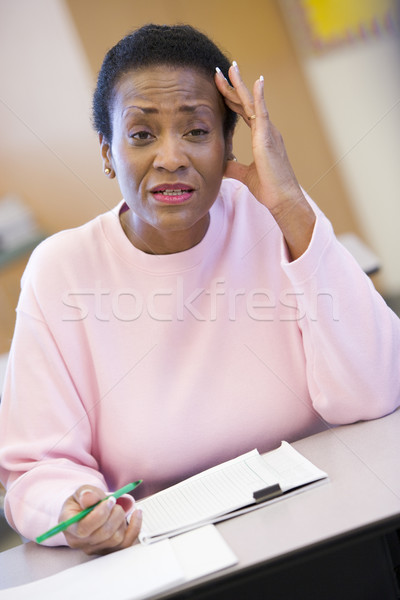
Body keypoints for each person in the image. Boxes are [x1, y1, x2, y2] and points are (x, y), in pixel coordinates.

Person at [0, 24, 399, 556]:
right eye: (141, 135)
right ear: (107, 151)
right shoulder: (61, 270)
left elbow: (377, 392)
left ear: (229, 144)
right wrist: (71, 504)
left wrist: (289, 204)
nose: (170, 157)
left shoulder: (276, 216)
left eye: (196, 131)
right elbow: (33, 468)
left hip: (332, 522)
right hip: (167, 555)